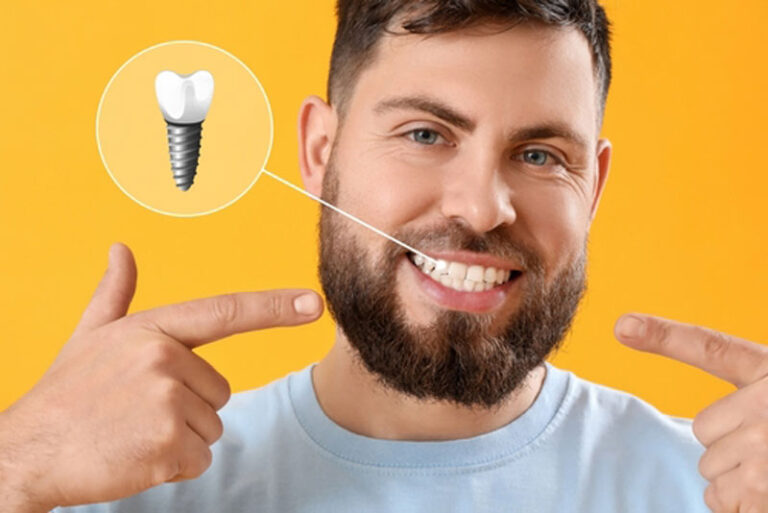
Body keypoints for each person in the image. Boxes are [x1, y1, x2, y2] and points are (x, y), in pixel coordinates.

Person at [1, 1, 766, 512]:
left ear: (592, 188)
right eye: (426, 134)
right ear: (319, 151)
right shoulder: (128, 484)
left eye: (538, 154)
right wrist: (18, 463)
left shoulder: (717, 490)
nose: (481, 205)